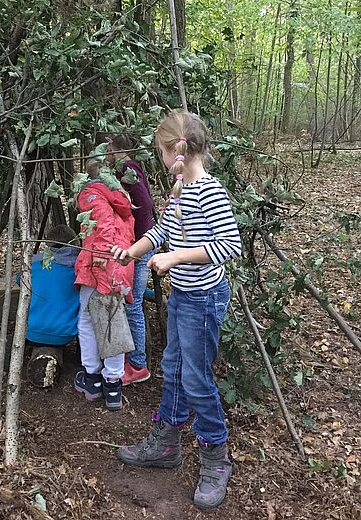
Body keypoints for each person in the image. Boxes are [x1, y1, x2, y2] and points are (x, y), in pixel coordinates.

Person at [111, 110, 242, 510]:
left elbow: (228, 247)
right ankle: (167, 444)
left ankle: (216, 459)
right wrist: (131, 252)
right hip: (184, 297)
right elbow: (163, 230)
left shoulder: (209, 191)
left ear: (176, 150)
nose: (162, 160)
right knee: (172, 366)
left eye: (161, 152)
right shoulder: (181, 190)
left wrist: (175, 260)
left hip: (204, 300)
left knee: (197, 379)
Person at [74, 158, 135, 411]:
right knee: (113, 321)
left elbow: (102, 225)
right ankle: (112, 384)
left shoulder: (91, 194)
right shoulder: (120, 197)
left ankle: (93, 378)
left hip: (101, 263)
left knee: (88, 320)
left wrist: (100, 256)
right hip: (120, 263)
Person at [106, 134, 155, 386]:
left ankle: (138, 365)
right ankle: (133, 359)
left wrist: (137, 242)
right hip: (140, 243)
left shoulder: (126, 167)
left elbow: (145, 205)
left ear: (112, 146)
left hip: (140, 244)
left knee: (132, 302)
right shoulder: (131, 166)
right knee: (131, 301)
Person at [25, 225, 80, 388]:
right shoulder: (78, 268)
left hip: (32, 332)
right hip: (66, 333)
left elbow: (20, 279)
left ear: (47, 245)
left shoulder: (35, 263)